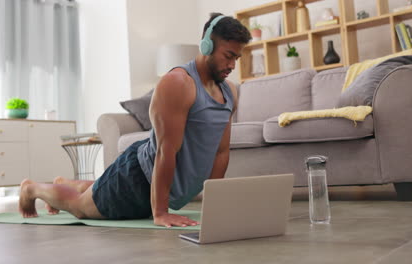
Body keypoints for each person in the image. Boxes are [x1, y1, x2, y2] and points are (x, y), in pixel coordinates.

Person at [18, 12, 252, 228]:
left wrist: (215, 206)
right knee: (81, 207)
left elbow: (221, 152)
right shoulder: (178, 83)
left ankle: (64, 183)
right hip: (138, 178)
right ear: (207, 45)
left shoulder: (228, 92)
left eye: (237, 58)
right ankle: (32, 189)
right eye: (228, 56)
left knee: (97, 195)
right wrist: (160, 213)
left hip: (155, 183)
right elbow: (165, 151)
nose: (232, 65)